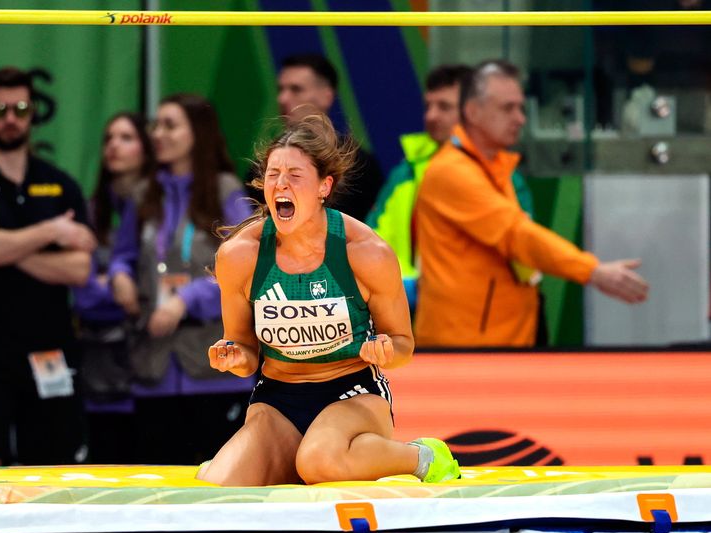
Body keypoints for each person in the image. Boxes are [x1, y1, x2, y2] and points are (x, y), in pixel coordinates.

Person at [196, 113, 459, 487]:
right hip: (278, 397)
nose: (281, 185)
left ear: (324, 187)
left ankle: (423, 457)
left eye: (295, 176)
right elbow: (245, 351)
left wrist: (385, 350)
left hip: (351, 390)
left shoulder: (365, 252)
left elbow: (403, 345)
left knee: (319, 461)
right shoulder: (240, 256)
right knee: (220, 486)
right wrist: (236, 356)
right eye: (273, 175)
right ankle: (275, 459)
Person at [415, 60, 649, 348]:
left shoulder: (494, 168)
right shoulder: (453, 171)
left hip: (498, 343)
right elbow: (516, 235)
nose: (521, 118)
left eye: (520, 108)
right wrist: (592, 271)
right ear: (473, 112)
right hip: (465, 349)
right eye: (507, 108)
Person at [0, 67, 96, 466]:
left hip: (50, 348)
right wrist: (50, 230)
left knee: (52, 475)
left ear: (33, 113)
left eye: (21, 108)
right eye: (0, 108)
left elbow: (79, 269)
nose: (11, 117)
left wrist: (3, 242)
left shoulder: (60, 183)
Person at [128, 93, 253, 465]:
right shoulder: (143, 192)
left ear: (197, 133)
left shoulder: (227, 190)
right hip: (154, 365)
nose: (158, 134)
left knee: (223, 484)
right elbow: (123, 256)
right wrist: (119, 276)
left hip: (216, 364)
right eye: (156, 125)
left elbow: (248, 263)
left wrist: (188, 298)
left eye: (170, 125)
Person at [74, 112, 154, 463]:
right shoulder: (92, 210)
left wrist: (128, 287)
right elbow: (85, 295)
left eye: (125, 138)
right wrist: (124, 292)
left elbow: (156, 289)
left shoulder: (161, 208)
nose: (114, 146)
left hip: (150, 357)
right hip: (99, 365)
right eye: (109, 138)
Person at [367, 64, 472, 311]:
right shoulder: (404, 174)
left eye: (444, 107)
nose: (431, 116)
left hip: (474, 321)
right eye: (428, 106)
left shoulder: (498, 174)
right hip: (405, 317)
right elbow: (369, 243)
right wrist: (401, 290)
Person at [246, 54, 384, 223]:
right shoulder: (262, 167)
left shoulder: (362, 167)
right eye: (280, 89)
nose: (282, 98)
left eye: (296, 89)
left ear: (327, 96)